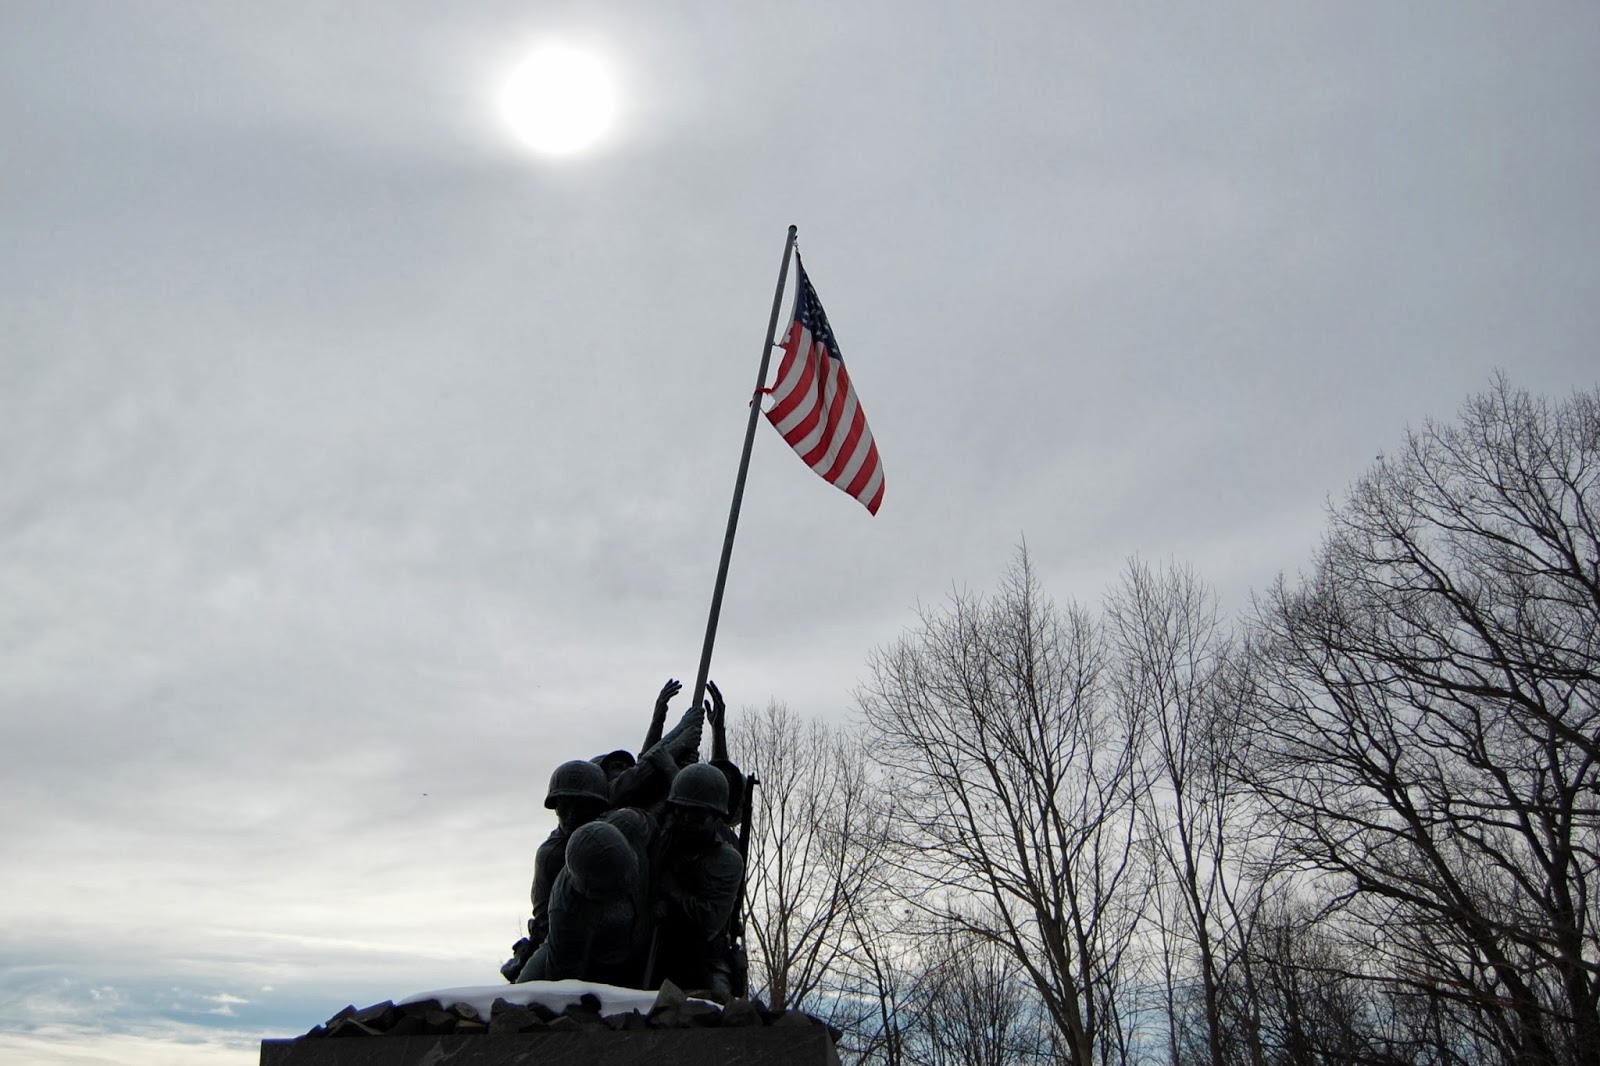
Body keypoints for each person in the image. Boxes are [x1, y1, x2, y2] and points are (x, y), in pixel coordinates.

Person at [499, 759, 611, 982]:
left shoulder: (611, 834)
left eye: (579, 807)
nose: (570, 816)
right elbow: (545, 924)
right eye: (564, 806)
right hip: (565, 945)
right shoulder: (552, 855)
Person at [514, 818, 652, 986]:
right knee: (527, 990)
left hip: (645, 930)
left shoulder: (632, 825)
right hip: (600, 961)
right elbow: (564, 984)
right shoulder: (566, 910)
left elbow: (660, 836)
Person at [648, 762, 744, 1000]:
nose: (686, 820)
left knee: (718, 1003)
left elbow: (708, 921)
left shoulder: (727, 860)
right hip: (654, 946)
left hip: (704, 956)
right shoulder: (660, 840)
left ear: (715, 817)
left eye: (697, 814)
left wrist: (670, 891)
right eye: (681, 810)